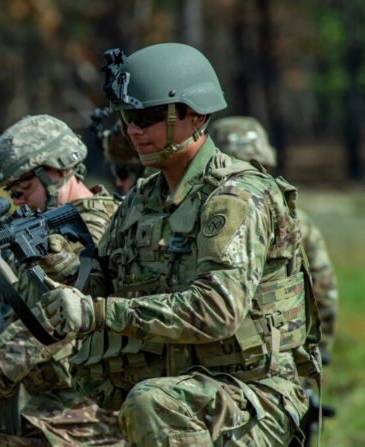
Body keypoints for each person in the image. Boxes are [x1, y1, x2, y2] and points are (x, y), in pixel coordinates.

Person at [38, 43, 321, 446]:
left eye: (150, 116)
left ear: (197, 116)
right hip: (180, 391)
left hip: (251, 396)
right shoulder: (141, 199)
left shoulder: (235, 197)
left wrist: (98, 313)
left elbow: (217, 311)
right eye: (128, 116)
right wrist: (59, 265)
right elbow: (107, 285)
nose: (134, 130)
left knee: (150, 403)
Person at [0, 114, 123, 446]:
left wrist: (7, 352)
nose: (18, 200)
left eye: (23, 189)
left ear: (58, 170)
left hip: (95, 406)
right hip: (54, 405)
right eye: (12, 192)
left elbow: (83, 302)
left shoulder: (101, 222)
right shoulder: (41, 228)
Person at [210, 116, 338, 362]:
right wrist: (320, 350)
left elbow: (322, 286)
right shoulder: (297, 219)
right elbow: (324, 290)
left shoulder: (204, 218)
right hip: (279, 352)